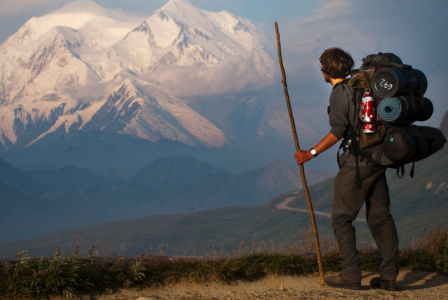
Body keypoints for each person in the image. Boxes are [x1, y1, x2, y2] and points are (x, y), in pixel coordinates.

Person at [294, 48, 399, 291]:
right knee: (380, 218)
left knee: (341, 218)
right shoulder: (363, 85)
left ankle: (351, 274)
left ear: (326, 71)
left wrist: (310, 153)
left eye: (322, 67)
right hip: (378, 157)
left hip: (357, 162)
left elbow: (338, 131)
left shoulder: (340, 92)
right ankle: (389, 277)